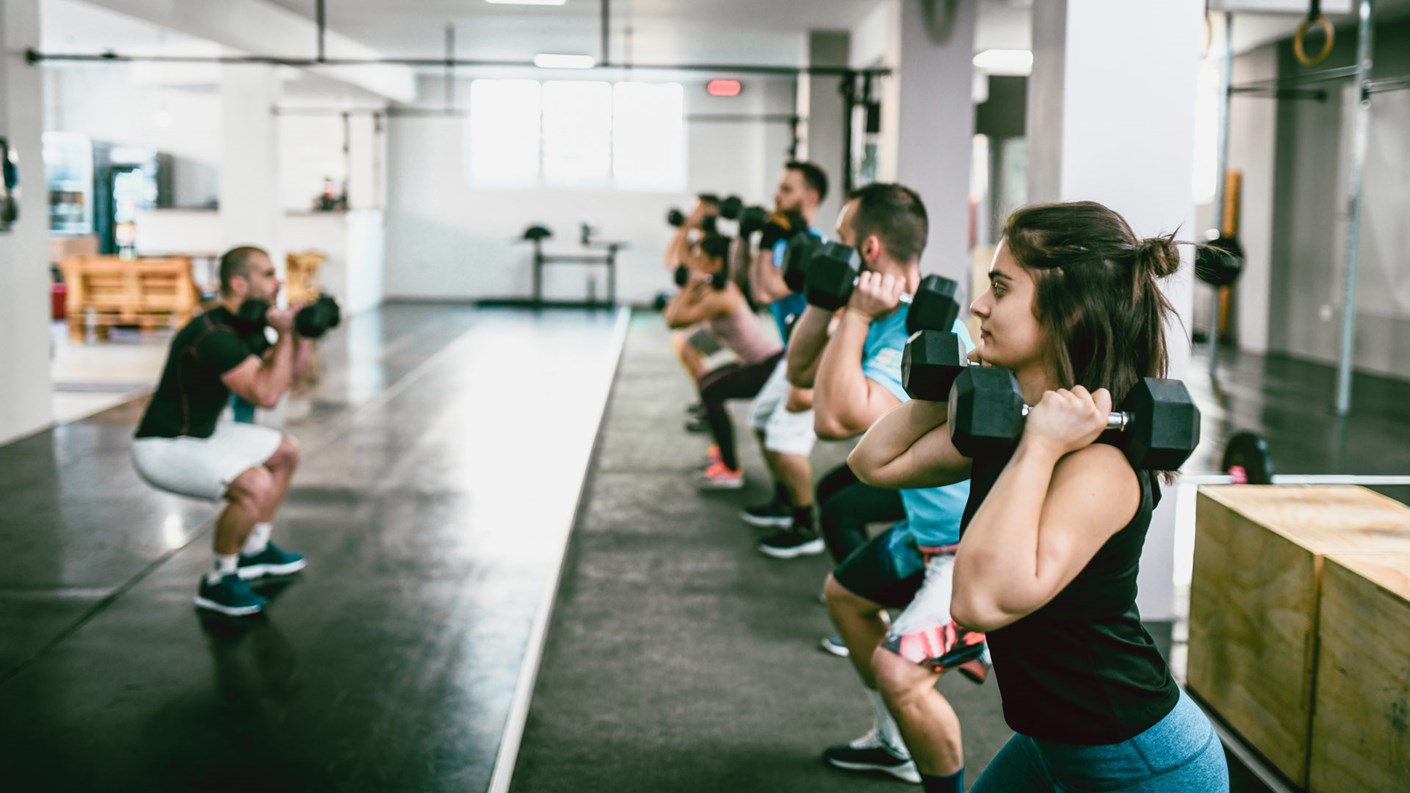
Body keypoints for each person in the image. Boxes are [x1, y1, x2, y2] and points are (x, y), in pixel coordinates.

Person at [849, 201, 1229, 792]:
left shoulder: (1101, 465)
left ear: (1067, 311)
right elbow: (873, 462)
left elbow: (976, 603)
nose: (978, 306)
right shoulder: (1012, 428)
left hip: (1142, 762)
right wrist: (944, 385)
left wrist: (1041, 448)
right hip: (1056, 743)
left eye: (1000, 289)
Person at [786, 183, 981, 785]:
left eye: (839, 242)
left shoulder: (923, 336)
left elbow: (833, 418)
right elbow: (796, 370)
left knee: (905, 678)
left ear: (866, 248)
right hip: (924, 530)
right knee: (845, 597)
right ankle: (894, 743)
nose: (830, 251)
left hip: (968, 552)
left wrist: (858, 318)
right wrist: (829, 304)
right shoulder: (873, 315)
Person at [131, 246, 309, 617]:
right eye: (268, 273)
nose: (277, 282)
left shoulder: (244, 326)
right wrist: (286, 337)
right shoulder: (214, 335)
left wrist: (300, 336)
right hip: (162, 446)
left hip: (202, 432)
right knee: (254, 483)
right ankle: (219, 581)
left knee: (286, 452)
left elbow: (290, 377)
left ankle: (255, 551)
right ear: (239, 283)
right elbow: (266, 395)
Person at [734, 161, 828, 548]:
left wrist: (769, 243)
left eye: (787, 190)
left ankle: (807, 528)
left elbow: (765, 292)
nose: (777, 196)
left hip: (818, 356)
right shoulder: (784, 239)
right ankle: (785, 500)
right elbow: (742, 280)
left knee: (785, 439)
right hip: (793, 352)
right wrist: (748, 238)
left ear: (810, 198)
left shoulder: (812, 245)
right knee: (760, 420)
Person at [664, 234, 783, 489]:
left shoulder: (721, 296)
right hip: (754, 363)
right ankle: (725, 456)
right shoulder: (711, 289)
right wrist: (693, 283)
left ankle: (730, 470)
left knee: (711, 390)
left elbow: (673, 319)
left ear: (716, 263)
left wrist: (688, 285)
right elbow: (672, 314)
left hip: (769, 367)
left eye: (699, 259)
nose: (693, 264)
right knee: (708, 384)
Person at [664, 195, 725, 398]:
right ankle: (707, 395)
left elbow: (685, 265)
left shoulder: (714, 244)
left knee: (685, 346)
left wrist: (687, 226)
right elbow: (672, 262)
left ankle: (709, 397)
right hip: (708, 317)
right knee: (681, 343)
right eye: (695, 209)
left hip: (724, 321)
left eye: (700, 209)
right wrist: (685, 227)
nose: (695, 213)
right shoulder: (696, 240)